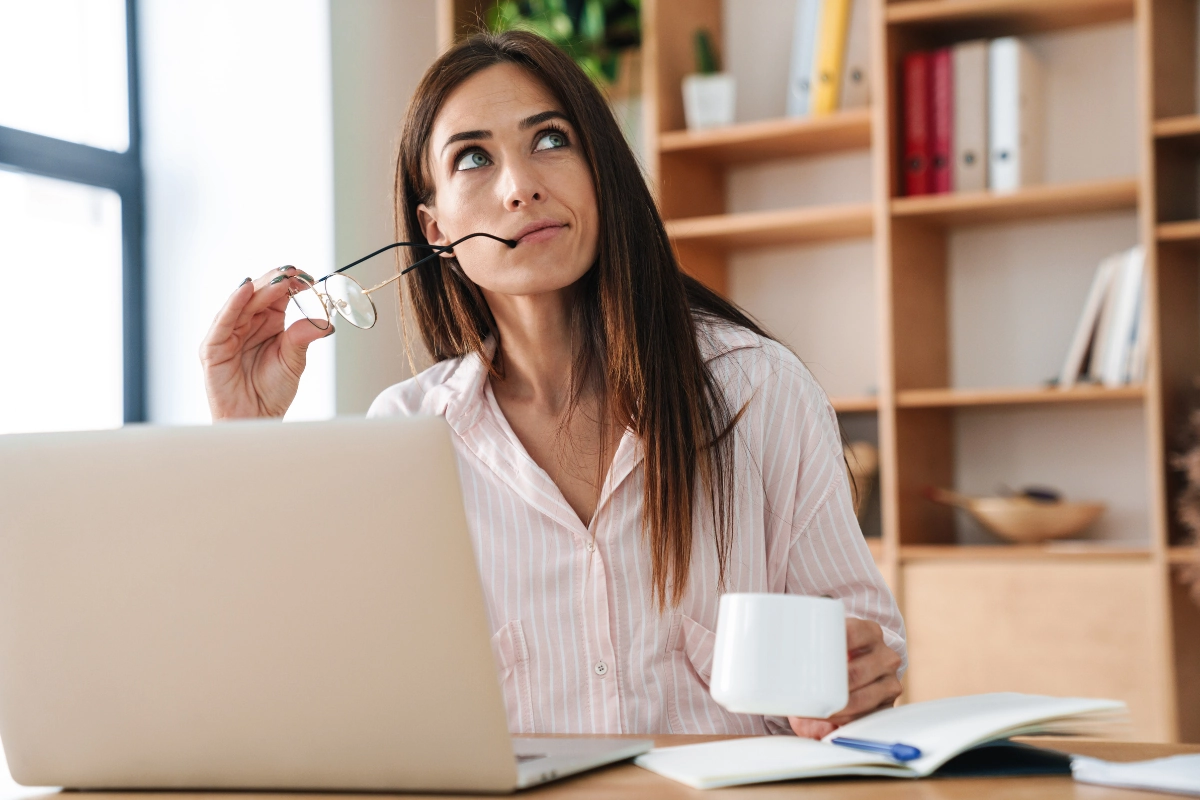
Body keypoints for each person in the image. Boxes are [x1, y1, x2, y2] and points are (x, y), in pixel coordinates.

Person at [200, 30, 905, 738]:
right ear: (433, 225)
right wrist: (247, 445)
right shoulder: (405, 434)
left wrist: (857, 681)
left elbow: (866, 648)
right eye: (473, 158)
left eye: (550, 140)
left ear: (599, 168)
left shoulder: (759, 390)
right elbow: (320, 691)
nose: (521, 186)